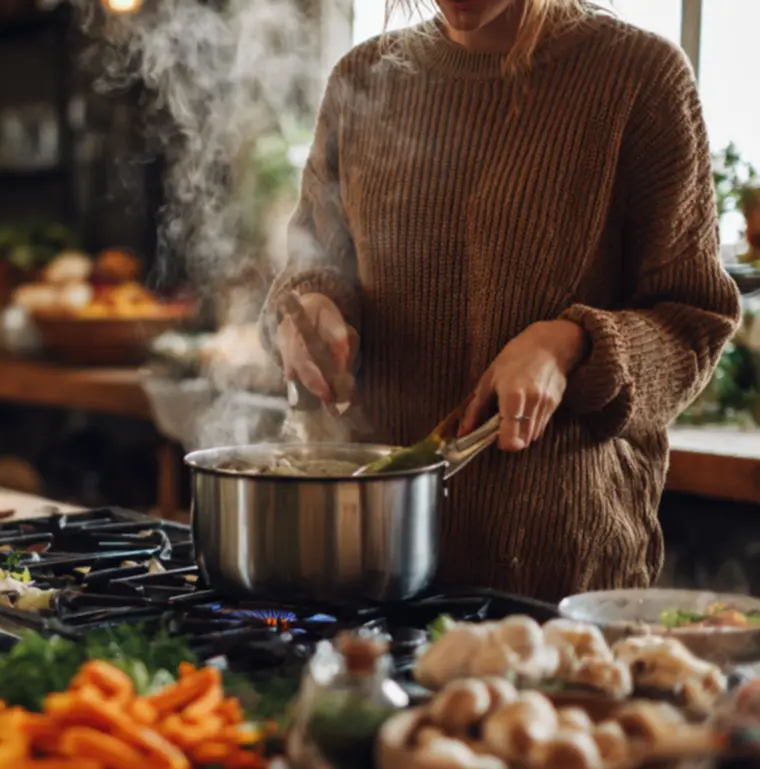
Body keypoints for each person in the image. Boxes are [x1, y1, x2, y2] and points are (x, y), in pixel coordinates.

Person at [263, 0, 741, 600]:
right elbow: (310, 267)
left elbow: (694, 322)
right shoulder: (364, 77)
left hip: (555, 582)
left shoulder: (639, 78)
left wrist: (574, 345)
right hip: (365, 567)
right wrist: (309, 309)